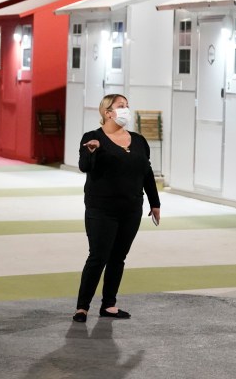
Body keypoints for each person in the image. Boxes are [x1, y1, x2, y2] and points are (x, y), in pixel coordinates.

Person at [73, 93, 161, 322]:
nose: (126, 110)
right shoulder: (92, 137)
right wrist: (92, 152)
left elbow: (147, 172)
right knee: (98, 257)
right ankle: (82, 307)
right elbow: (84, 166)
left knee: (118, 257)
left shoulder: (139, 140)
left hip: (131, 209)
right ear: (107, 112)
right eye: (121, 106)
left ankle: (109, 304)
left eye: (127, 106)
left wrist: (155, 202)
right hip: (101, 209)